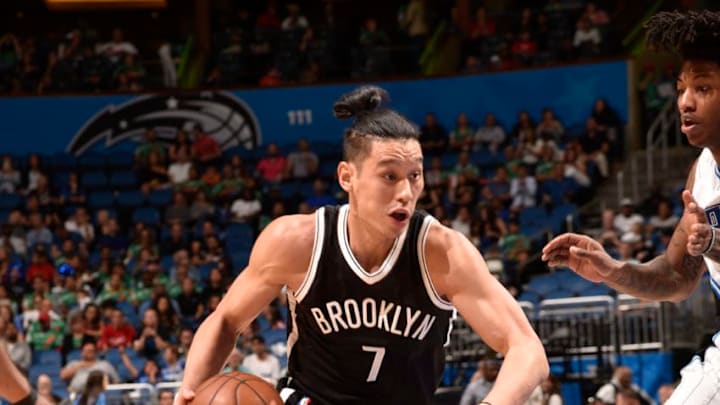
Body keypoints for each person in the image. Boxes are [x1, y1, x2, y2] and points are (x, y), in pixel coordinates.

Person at [174, 85, 547, 405]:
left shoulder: (442, 253)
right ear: (346, 177)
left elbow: (526, 349)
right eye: (389, 176)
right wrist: (190, 388)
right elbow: (226, 320)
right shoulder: (297, 242)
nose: (405, 192)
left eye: (414, 176)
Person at [542, 10, 720, 405]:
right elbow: (676, 277)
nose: (685, 103)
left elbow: (710, 246)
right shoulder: (702, 172)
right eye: (680, 89)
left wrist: (712, 242)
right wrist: (612, 271)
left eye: (703, 89)